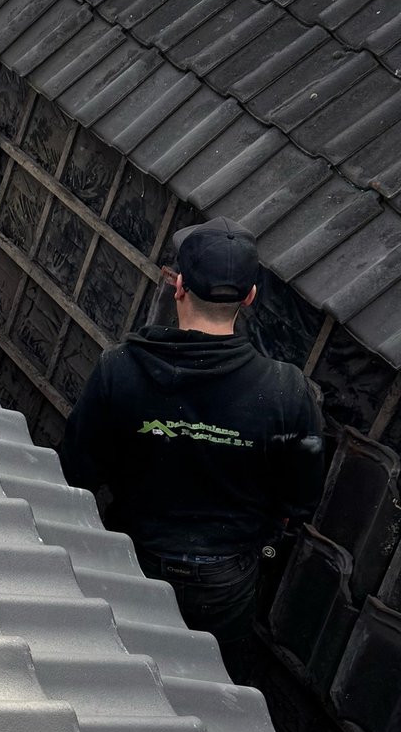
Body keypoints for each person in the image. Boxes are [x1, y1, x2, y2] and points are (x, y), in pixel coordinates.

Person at [60, 218, 324, 680]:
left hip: (129, 562)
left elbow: (74, 474)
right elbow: (300, 501)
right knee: (211, 693)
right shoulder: (289, 392)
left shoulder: (119, 369)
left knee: (112, 678)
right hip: (225, 585)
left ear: (178, 286)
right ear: (250, 297)